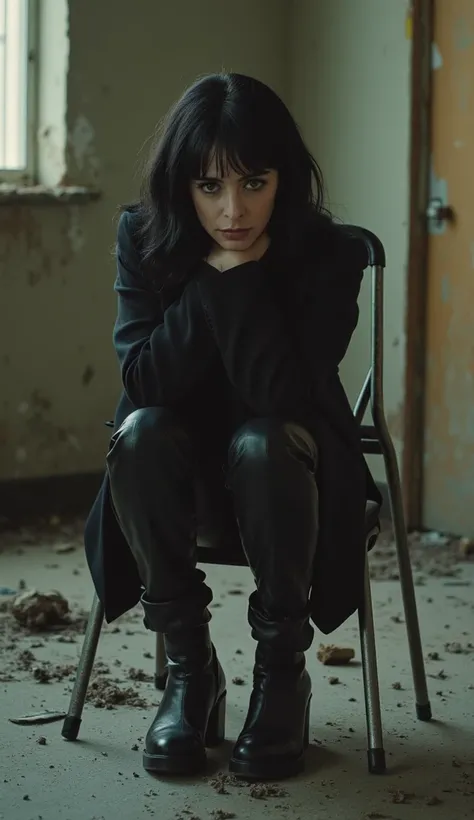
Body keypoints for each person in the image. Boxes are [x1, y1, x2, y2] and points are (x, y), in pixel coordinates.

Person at [84, 72, 381, 781]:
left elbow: (281, 398)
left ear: (284, 180)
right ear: (182, 186)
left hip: (294, 480)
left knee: (264, 440)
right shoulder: (145, 239)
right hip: (175, 483)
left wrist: (240, 281)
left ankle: (282, 676)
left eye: (254, 183)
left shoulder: (328, 255)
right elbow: (145, 384)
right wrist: (211, 282)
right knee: (142, 430)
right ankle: (191, 673)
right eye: (210, 186)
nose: (233, 210)